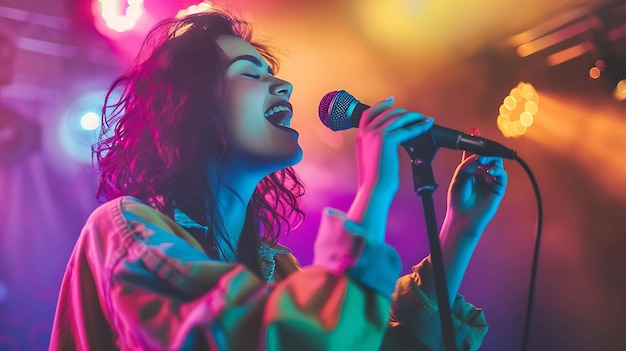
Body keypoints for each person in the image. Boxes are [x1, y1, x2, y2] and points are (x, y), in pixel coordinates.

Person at [49, 7, 507, 351]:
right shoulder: (123, 231)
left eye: (274, 74)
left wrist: (460, 230)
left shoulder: (277, 268)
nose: (283, 86)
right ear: (189, 111)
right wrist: (375, 190)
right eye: (250, 73)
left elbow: (375, 342)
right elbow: (290, 336)